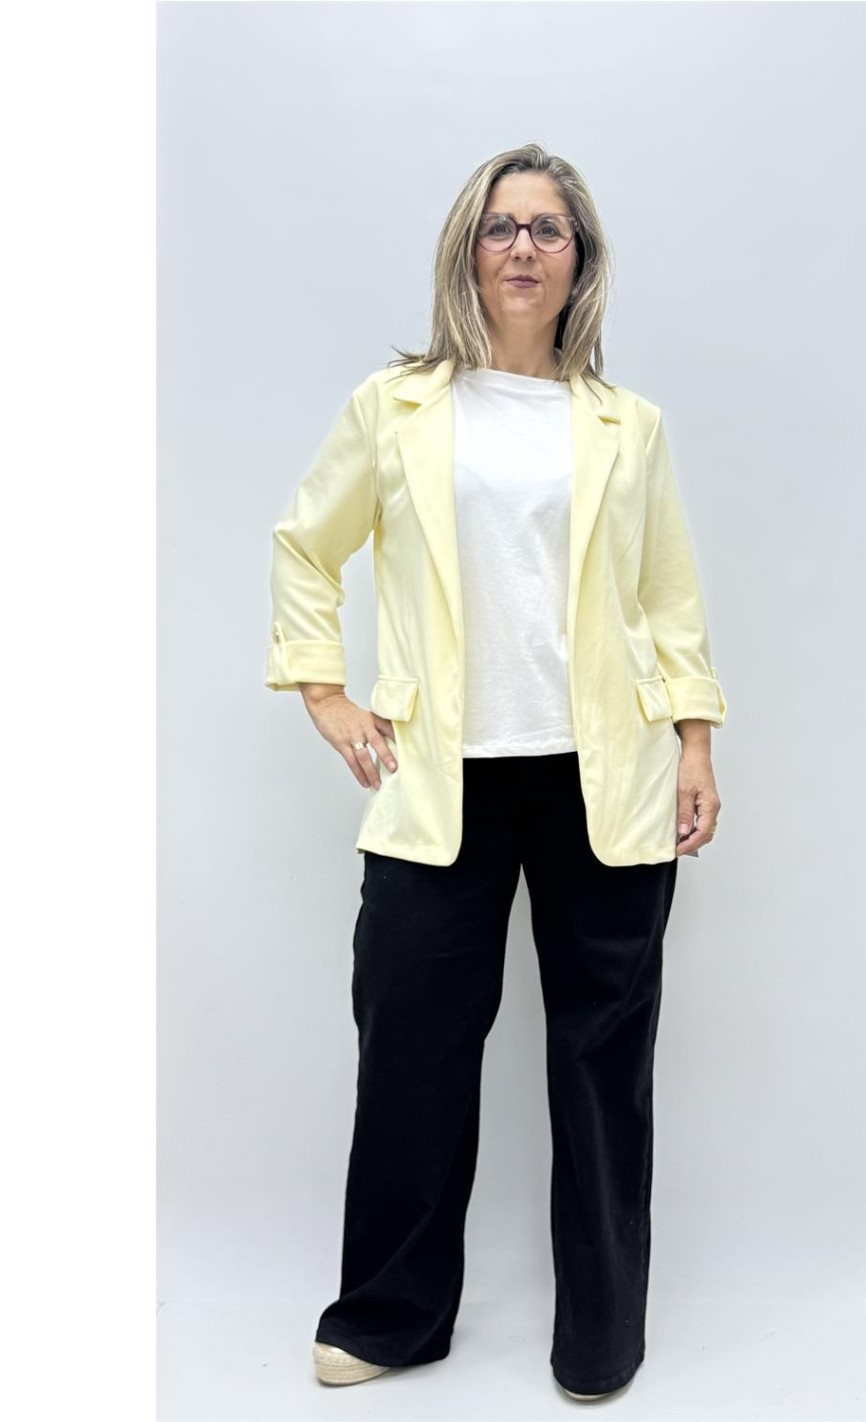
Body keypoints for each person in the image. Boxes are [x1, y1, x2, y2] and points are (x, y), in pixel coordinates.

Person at [265, 141, 727, 1402]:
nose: (523, 248)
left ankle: (600, 1338)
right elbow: (306, 545)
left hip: (603, 778)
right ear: (467, 251)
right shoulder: (398, 407)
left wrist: (693, 739)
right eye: (500, 227)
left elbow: (667, 595)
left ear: (580, 261)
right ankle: (391, 1318)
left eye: (547, 229)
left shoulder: (626, 427)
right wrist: (322, 690)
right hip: (440, 781)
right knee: (411, 1052)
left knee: (601, 1062)